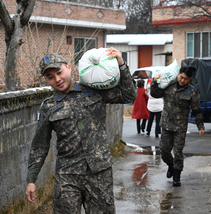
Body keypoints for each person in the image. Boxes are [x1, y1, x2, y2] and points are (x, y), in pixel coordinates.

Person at [25, 47, 137, 213]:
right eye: (50, 77)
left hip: (99, 172)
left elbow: (129, 95)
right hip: (67, 176)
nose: (57, 79)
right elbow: (40, 144)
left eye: (59, 72)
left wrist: (121, 64)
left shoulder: (94, 90)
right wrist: (31, 179)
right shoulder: (48, 106)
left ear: (69, 68)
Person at [150, 66, 205, 186]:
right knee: (164, 151)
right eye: (181, 77)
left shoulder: (191, 92)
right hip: (166, 124)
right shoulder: (169, 85)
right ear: (178, 74)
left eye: (186, 79)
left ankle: (177, 176)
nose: (182, 80)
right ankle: (171, 165)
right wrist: (154, 81)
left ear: (190, 79)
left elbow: (196, 109)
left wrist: (200, 126)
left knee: (178, 152)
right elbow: (155, 94)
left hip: (180, 127)